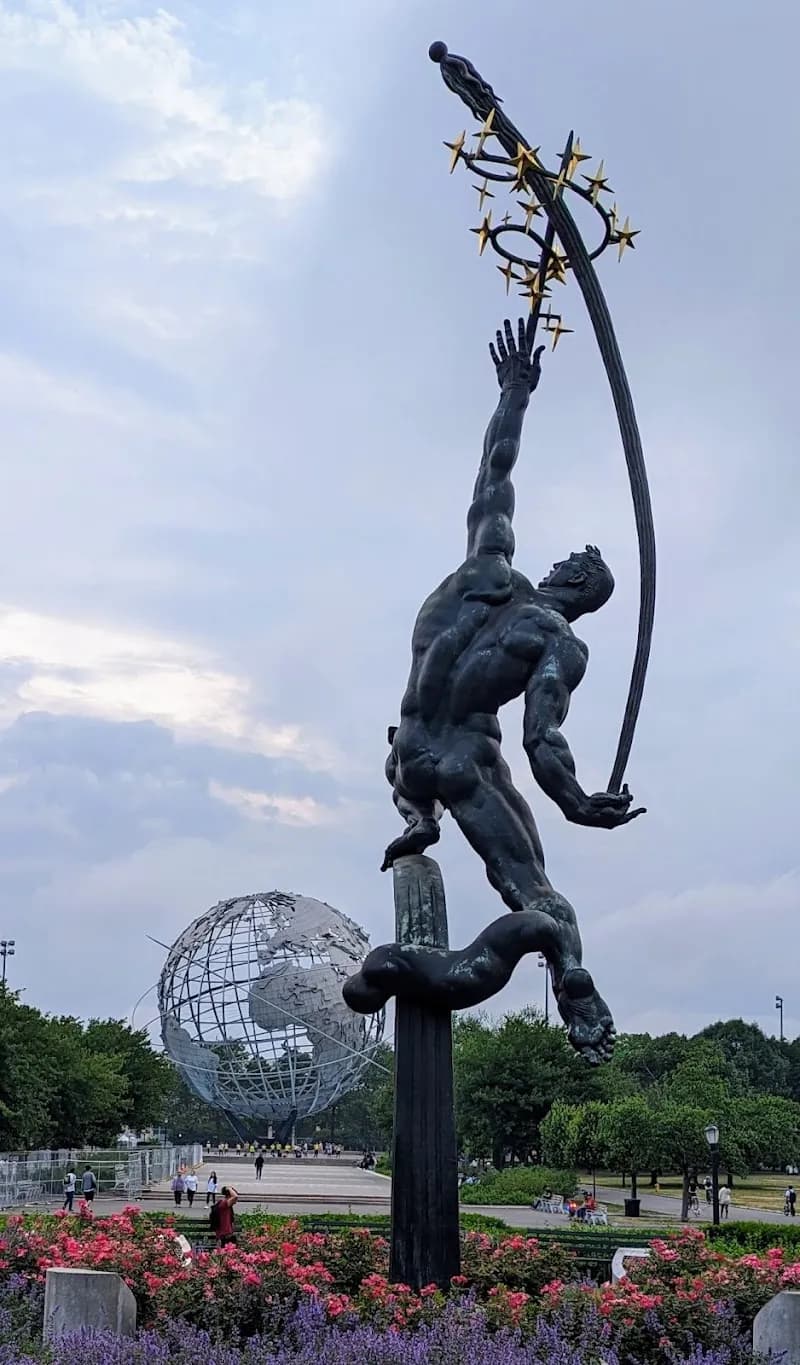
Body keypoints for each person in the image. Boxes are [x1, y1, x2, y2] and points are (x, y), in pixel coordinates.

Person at [348, 319, 643, 1064]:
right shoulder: (559, 645)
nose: (564, 558)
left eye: (573, 560)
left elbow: (495, 473)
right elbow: (543, 741)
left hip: (410, 752)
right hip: (463, 763)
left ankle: (416, 817)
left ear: (574, 578)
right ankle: (568, 972)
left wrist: (515, 391)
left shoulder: (487, 570)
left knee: (405, 759)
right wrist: (578, 804)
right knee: (544, 902)